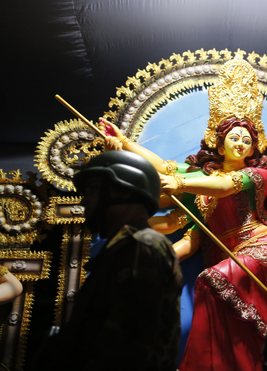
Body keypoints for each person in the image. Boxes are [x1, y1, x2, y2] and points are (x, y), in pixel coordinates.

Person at [100, 53, 267, 371]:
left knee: (213, 278)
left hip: (262, 249)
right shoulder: (200, 183)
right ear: (220, 142)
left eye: (247, 139)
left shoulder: (261, 174)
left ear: (255, 146)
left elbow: (227, 187)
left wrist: (181, 184)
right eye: (234, 137)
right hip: (229, 259)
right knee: (235, 325)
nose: (241, 143)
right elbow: (167, 174)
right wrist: (123, 144)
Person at [33, 150, 183, 371]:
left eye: (92, 189)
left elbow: (127, 345)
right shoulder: (122, 248)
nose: (85, 200)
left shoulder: (144, 244)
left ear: (122, 191)